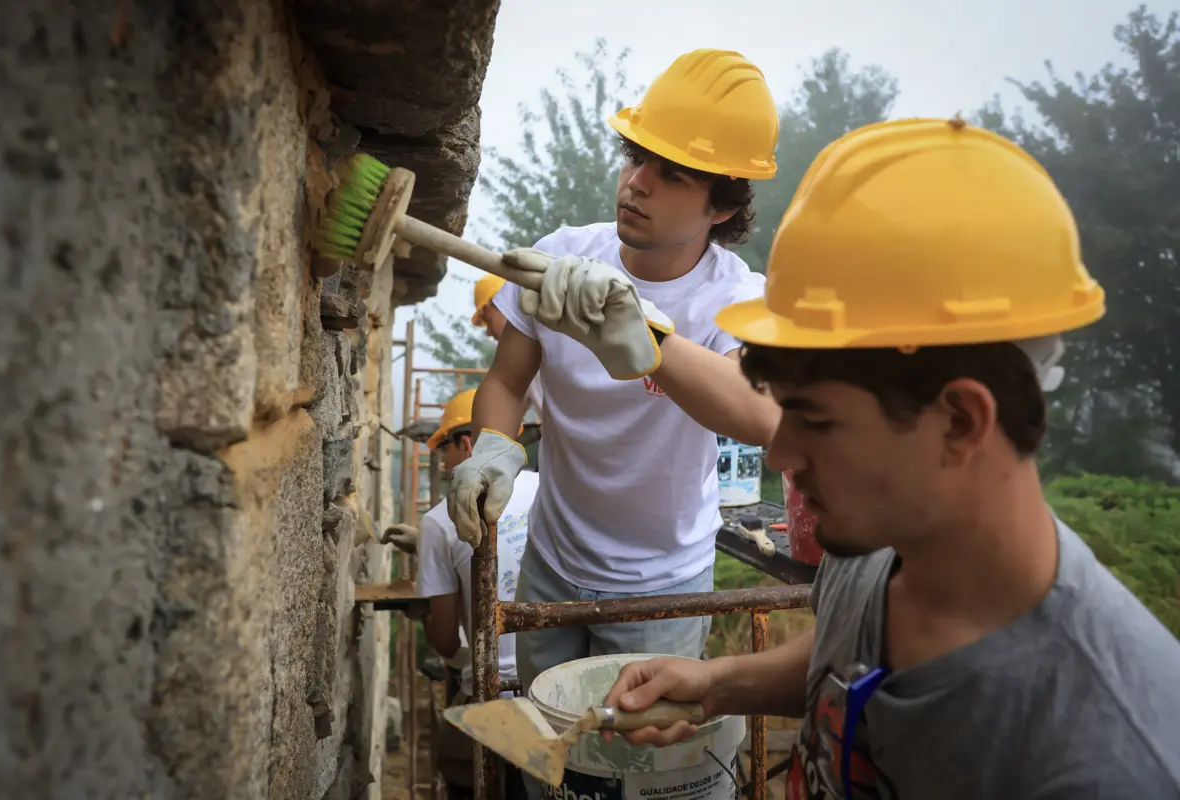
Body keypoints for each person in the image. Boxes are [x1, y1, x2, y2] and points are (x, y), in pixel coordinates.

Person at [600, 118, 1180, 799]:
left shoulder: (1105, 760)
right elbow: (846, 655)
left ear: (961, 420)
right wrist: (718, 684)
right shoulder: (873, 549)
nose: (781, 453)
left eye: (816, 422)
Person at [446, 48, 784, 701]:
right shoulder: (563, 258)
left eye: (672, 174)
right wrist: (492, 445)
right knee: (550, 751)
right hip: (553, 557)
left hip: (664, 580)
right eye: (635, 158)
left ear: (722, 207)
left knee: (636, 765)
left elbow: (755, 411)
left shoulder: (736, 300)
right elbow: (509, 380)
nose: (637, 183)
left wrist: (648, 336)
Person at [414, 388, 538, 799]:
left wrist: (426, 603)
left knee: (458, 765)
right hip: (553, 686)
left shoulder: (438, 521)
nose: (444, 463)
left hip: (491, 695)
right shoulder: (549, 492)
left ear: (467, 444)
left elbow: (448, 642)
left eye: (444, 449)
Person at [472, 274, 544, 422]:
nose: (488, 332)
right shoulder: (520, 366)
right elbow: (503, 414)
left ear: (505, 305)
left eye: (488, 320)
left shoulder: (554, 345)